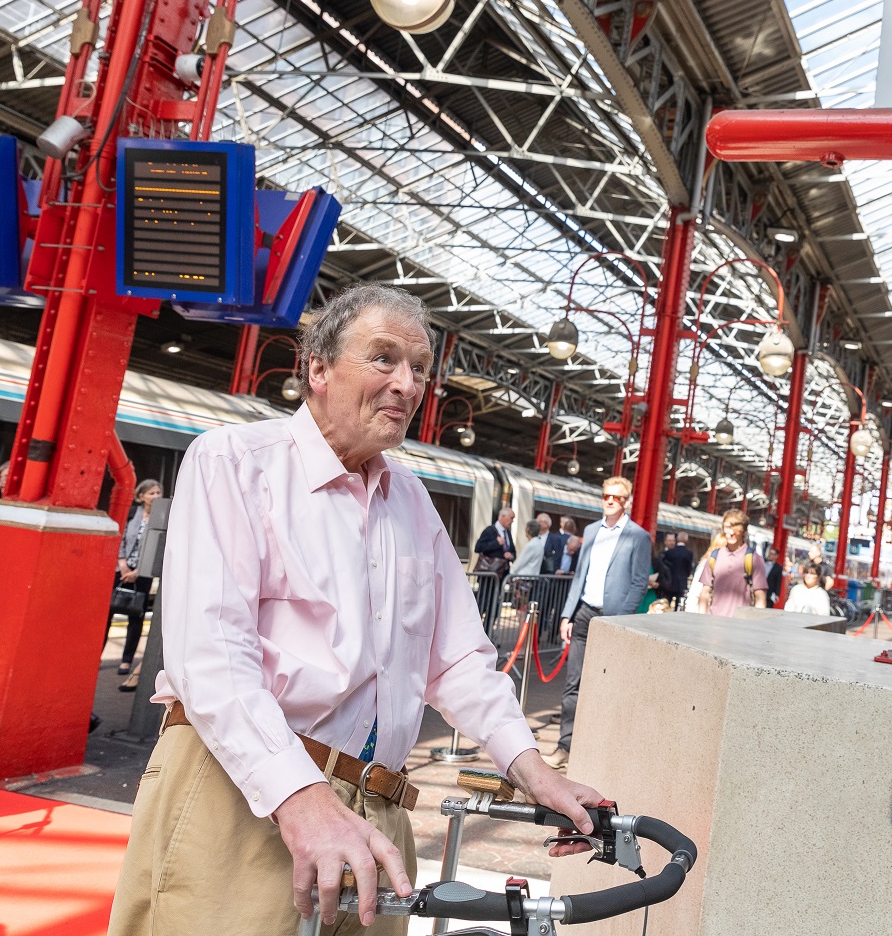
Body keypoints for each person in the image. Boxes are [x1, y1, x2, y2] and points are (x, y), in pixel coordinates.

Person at [109, 284, 601, 936]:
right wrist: (301, 796)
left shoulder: (414, 504)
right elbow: (213, 657)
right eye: (385, 357)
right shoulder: (235, 463)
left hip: (378, 813)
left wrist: (534, 770)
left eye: (420, 368)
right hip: (244, 797)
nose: (407, 382)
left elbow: (459, 661)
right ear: (317, 367)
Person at [544, 477, 652, 770]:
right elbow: (580, 576)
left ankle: (601, 751)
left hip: (614, 619)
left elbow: (640, 582)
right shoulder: (591, 531)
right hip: (584, 614)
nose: (610, 501)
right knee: (572, 683)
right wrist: (567, 614)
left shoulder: (638, 536)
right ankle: (564, 746)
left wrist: (621, 620)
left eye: (616, 497)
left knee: (609, 685)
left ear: (626, 501)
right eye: (606, 496)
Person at [113, 478, 164, 677]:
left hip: (143, 573)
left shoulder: (161, 517)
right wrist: (122, 563)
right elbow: (122, 537)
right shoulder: (132, 514)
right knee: (111, 610)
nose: (156, 497)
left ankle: (126, 661)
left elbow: (157, 544)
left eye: (158, 493)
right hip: (122, 568)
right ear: (141, 495)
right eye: (152, 493)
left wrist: (139, 570)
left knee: (136, 615)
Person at [696, 510, 767, 616]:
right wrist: (701, 618)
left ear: (744, 531)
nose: (730, 532)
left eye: (735, 528)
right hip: (713, 622)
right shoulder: (714, 556)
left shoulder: (753, 559)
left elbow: (760, 597)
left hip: (739, 624)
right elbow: (705, 592)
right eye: (727, 527)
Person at [656, 532, 694, 606]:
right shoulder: (688, 553)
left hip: (670, 585)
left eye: (673, 541)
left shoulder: (670, 553)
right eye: (669, 540)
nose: (672, 543)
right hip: (672, 585)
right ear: (665, 541)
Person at [474, 507, 515, 574]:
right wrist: (496, 543)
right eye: (511, 518)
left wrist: (511, 555)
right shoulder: (489, 530)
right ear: (503, 516)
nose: (512, 521)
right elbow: (478, 548)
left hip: (502, 574)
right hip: (489, 574)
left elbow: (513, 551)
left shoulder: (508, 533)